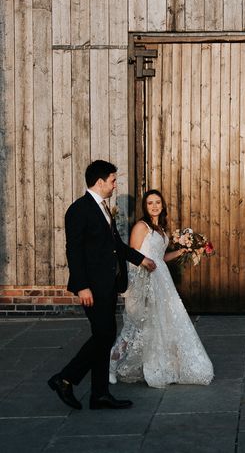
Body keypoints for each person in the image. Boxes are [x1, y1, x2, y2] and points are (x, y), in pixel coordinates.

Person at [48, 160, 157, 410]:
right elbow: (73, 251)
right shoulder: (79, 210)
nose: (115, 184)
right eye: (113, 180)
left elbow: (115, 245)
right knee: (104, 335)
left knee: (104, 337)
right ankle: (65, 378)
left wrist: (141, 259)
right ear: (100, 182)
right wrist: (82, 286)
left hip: (108, 284)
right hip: (92, 287)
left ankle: (99, 394)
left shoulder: (104, 209)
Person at [109, 189, 214, 388]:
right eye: (150, 203)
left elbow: (160, 258)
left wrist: (181, 251)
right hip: (144, 282)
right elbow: (133, 257)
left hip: (162, 281)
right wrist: (139, 288)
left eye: (158, 202)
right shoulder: (141, 227)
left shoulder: (162, 229)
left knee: (160, 325)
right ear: (145, 207)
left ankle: (161, 365)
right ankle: (111, 365)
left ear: (163, 205)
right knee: (134, 327)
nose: (154, 206)